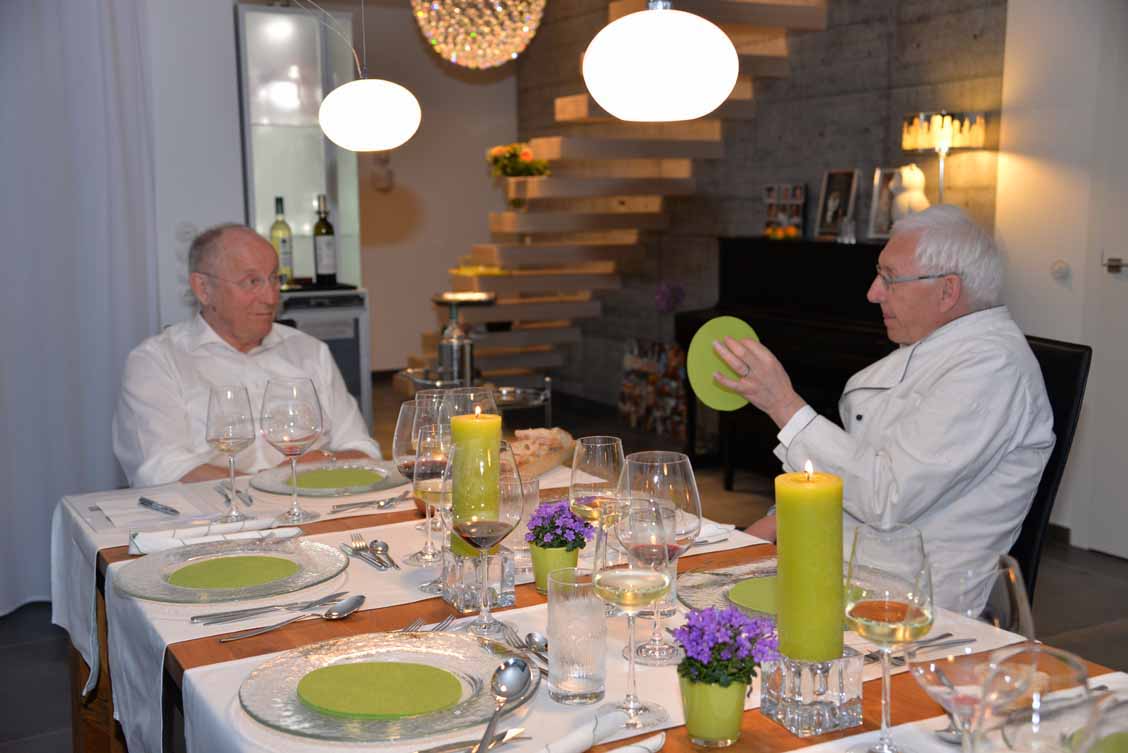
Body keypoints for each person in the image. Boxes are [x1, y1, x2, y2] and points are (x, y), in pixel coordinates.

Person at [712, 205, 1054, 609]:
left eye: (890, 279)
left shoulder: (993, 369)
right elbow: (856, 466)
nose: (873, 293)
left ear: (947, 291)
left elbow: (885, 497)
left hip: (909, 602)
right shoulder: (935, 350)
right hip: (838, 566)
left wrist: (783, 404)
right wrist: (775, 520)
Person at [113, 224, 380, 487]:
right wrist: (269, 487)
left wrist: (323, 460)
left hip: (314, 505)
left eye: (274, 279)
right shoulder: (157, 362)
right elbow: (161, 469)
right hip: (210, 512)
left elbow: (362, 449)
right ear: (203, 289)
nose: (271, 297)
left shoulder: (310, 351)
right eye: (252, 282)